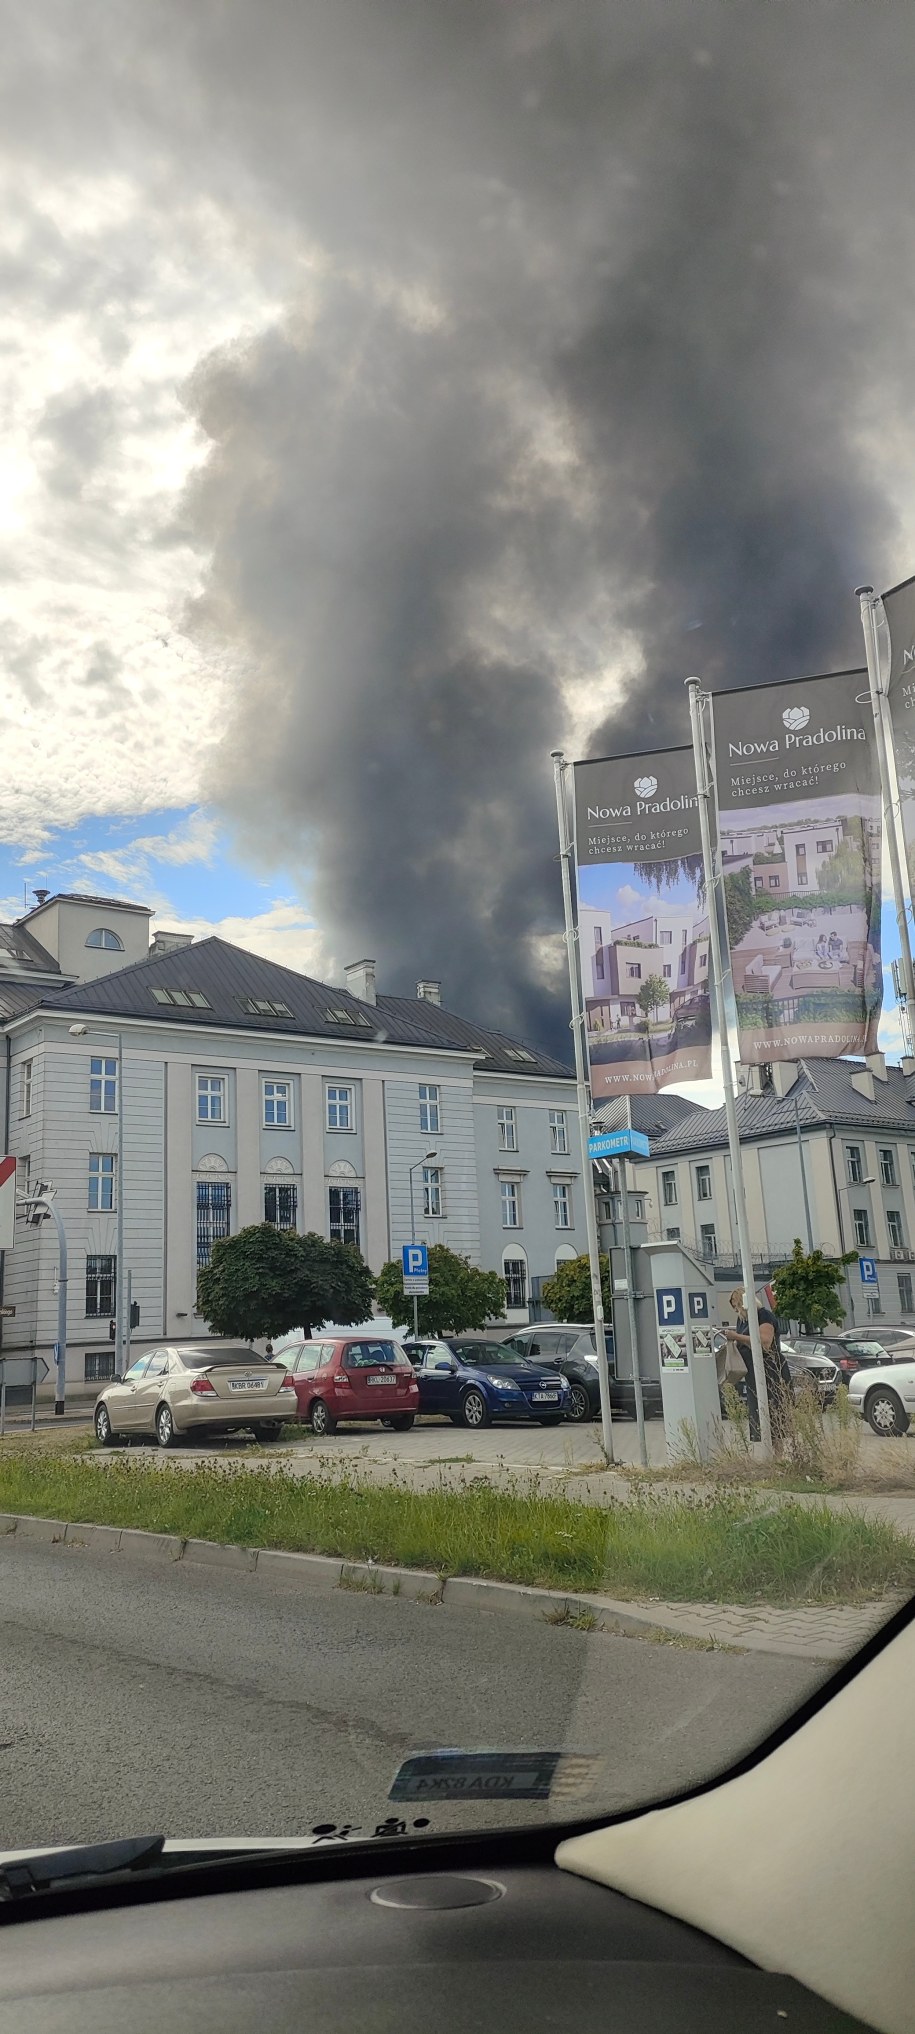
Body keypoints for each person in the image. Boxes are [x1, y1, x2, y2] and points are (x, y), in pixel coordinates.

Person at [722, 1286, 793, 1446]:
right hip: (753, 1372)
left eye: (735, 1306)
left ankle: (778, 1456)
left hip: (770, 1370)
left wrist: (736, 1337)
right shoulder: (743, 1320)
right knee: (759, 1414)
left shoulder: (763, 1315)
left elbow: (765, 1342)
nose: (735, 1310)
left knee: (774, 1411)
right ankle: (768, 1454)